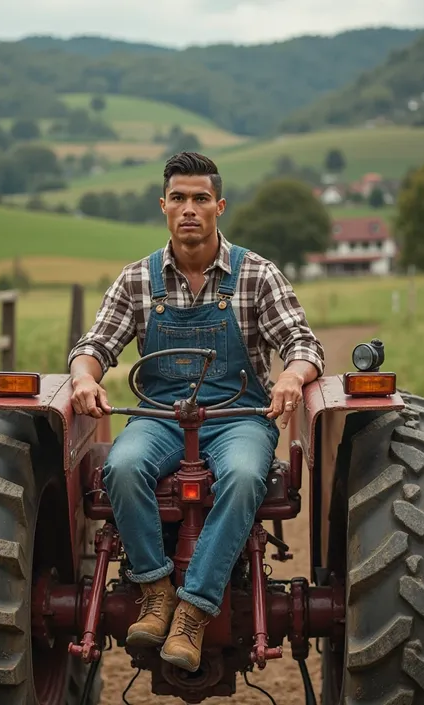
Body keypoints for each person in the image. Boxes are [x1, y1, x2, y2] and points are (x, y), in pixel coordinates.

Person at [68, 152, 325, 673]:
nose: (190, 209)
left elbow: (302, 342)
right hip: (161, 418)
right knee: (120, 467)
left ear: (219, 206)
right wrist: (83, 377)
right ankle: (156, 589)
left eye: (201, 199)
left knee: (247, 474)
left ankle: (193, 610)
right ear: (163, 206)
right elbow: (96, 343)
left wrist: (294, 376)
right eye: (179, 198)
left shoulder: (256, 274)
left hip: (238, 419)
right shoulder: (138, 279)